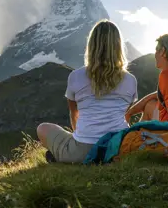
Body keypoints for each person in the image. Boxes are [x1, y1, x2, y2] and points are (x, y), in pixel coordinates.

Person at [37, 20, 138, 163]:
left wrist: (83, 136)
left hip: (82, 150)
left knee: (43, 128)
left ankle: (63, 155)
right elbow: (124, 113)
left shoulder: (75, 76)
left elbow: (74, 114)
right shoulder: (130, 80)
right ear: (118, 47)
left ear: (91, 46)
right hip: (118, 147)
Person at [125, 32, 168, 131]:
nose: (155, 54)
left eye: (157, 50)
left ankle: (140, 138)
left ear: (163, 51)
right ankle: (139, 135)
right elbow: (156, 95)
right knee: (150, 104)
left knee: (149, 106)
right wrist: (130, 113)